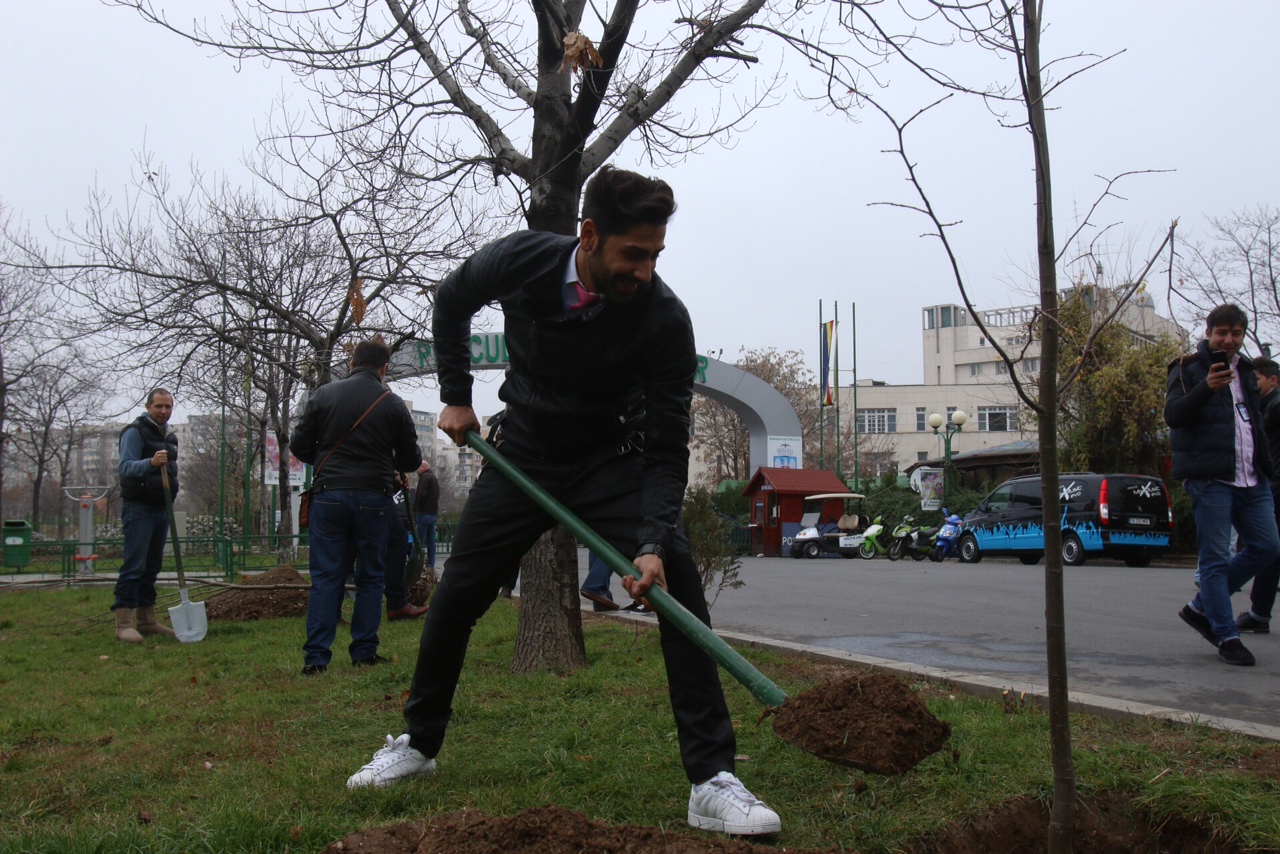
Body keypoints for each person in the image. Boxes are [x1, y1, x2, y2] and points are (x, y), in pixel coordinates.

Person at [345, 166, 780, 836]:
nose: (644, 270)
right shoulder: (522, 259)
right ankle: (418, 744)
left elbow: (667, 448)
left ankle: (711, 778)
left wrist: (652, 541)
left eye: (656, 255)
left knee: (681, 589)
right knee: (458, 594)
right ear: (588, 234)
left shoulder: (663, 320)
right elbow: (452, 299)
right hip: (522, 452)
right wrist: (458, 394)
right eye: (632, 254)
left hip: (611, 457)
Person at [291, 340, 422, 675]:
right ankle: (364, 651)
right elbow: (411, 460)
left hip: (329, 495)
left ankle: (316, 659)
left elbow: (300, 444)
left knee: (325, 577)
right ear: (384, 368)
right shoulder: (392, 404)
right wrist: (384, 462)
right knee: (371, 576)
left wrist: (326, 461)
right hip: (374, 497)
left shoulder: (323, 395)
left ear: (351, 363)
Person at [1167, 304, 1280, 666]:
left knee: (1268, 546)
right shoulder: (1185, 368)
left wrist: (1265, 467)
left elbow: (1254, 424)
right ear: (1208, 332)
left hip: (1251, 476)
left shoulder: (1247, 370)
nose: (1229, 340)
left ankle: (1202, 606)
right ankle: (1227, 635)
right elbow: (1174, 415)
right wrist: (1205, 388)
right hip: (1210, 478)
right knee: (1215, 559)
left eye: (1236, 333)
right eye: (1222, 333)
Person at [112, 388, 179, 644]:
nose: (163, 411)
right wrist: (150, 463)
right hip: (139, 508)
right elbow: (126, 468)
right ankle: (124, 624)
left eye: (167, 407)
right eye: (158, 406)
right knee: (134, 566)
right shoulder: (134, 432)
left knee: (152, 567)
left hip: (161, 507)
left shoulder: (169, 437)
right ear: (148, 407)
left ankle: (147, 620)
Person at [1237, 355, 1280, 633]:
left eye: (1257, 380)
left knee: (1268, 549)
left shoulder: (1273, 407)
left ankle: (1259, 613)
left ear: (1272, 380)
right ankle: (1259, 613)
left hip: (1275, 485)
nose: (1252, 385)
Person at [384, 477, 429, 621]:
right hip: (372, 494)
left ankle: (331, 611)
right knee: (397, 537)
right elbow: (410, 458)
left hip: (330, 491)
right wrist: (394, 476)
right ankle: (396, 603)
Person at [413, 461, 440, 573]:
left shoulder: (424, 478)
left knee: (418, 540)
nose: (417, 470)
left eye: (418, 467)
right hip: (433, 513)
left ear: (424, 467)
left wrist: (416, 509)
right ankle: (430, 565)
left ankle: (414, 564)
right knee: (431, 541)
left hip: (424, 513)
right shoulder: (433, 478)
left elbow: (421, 495)